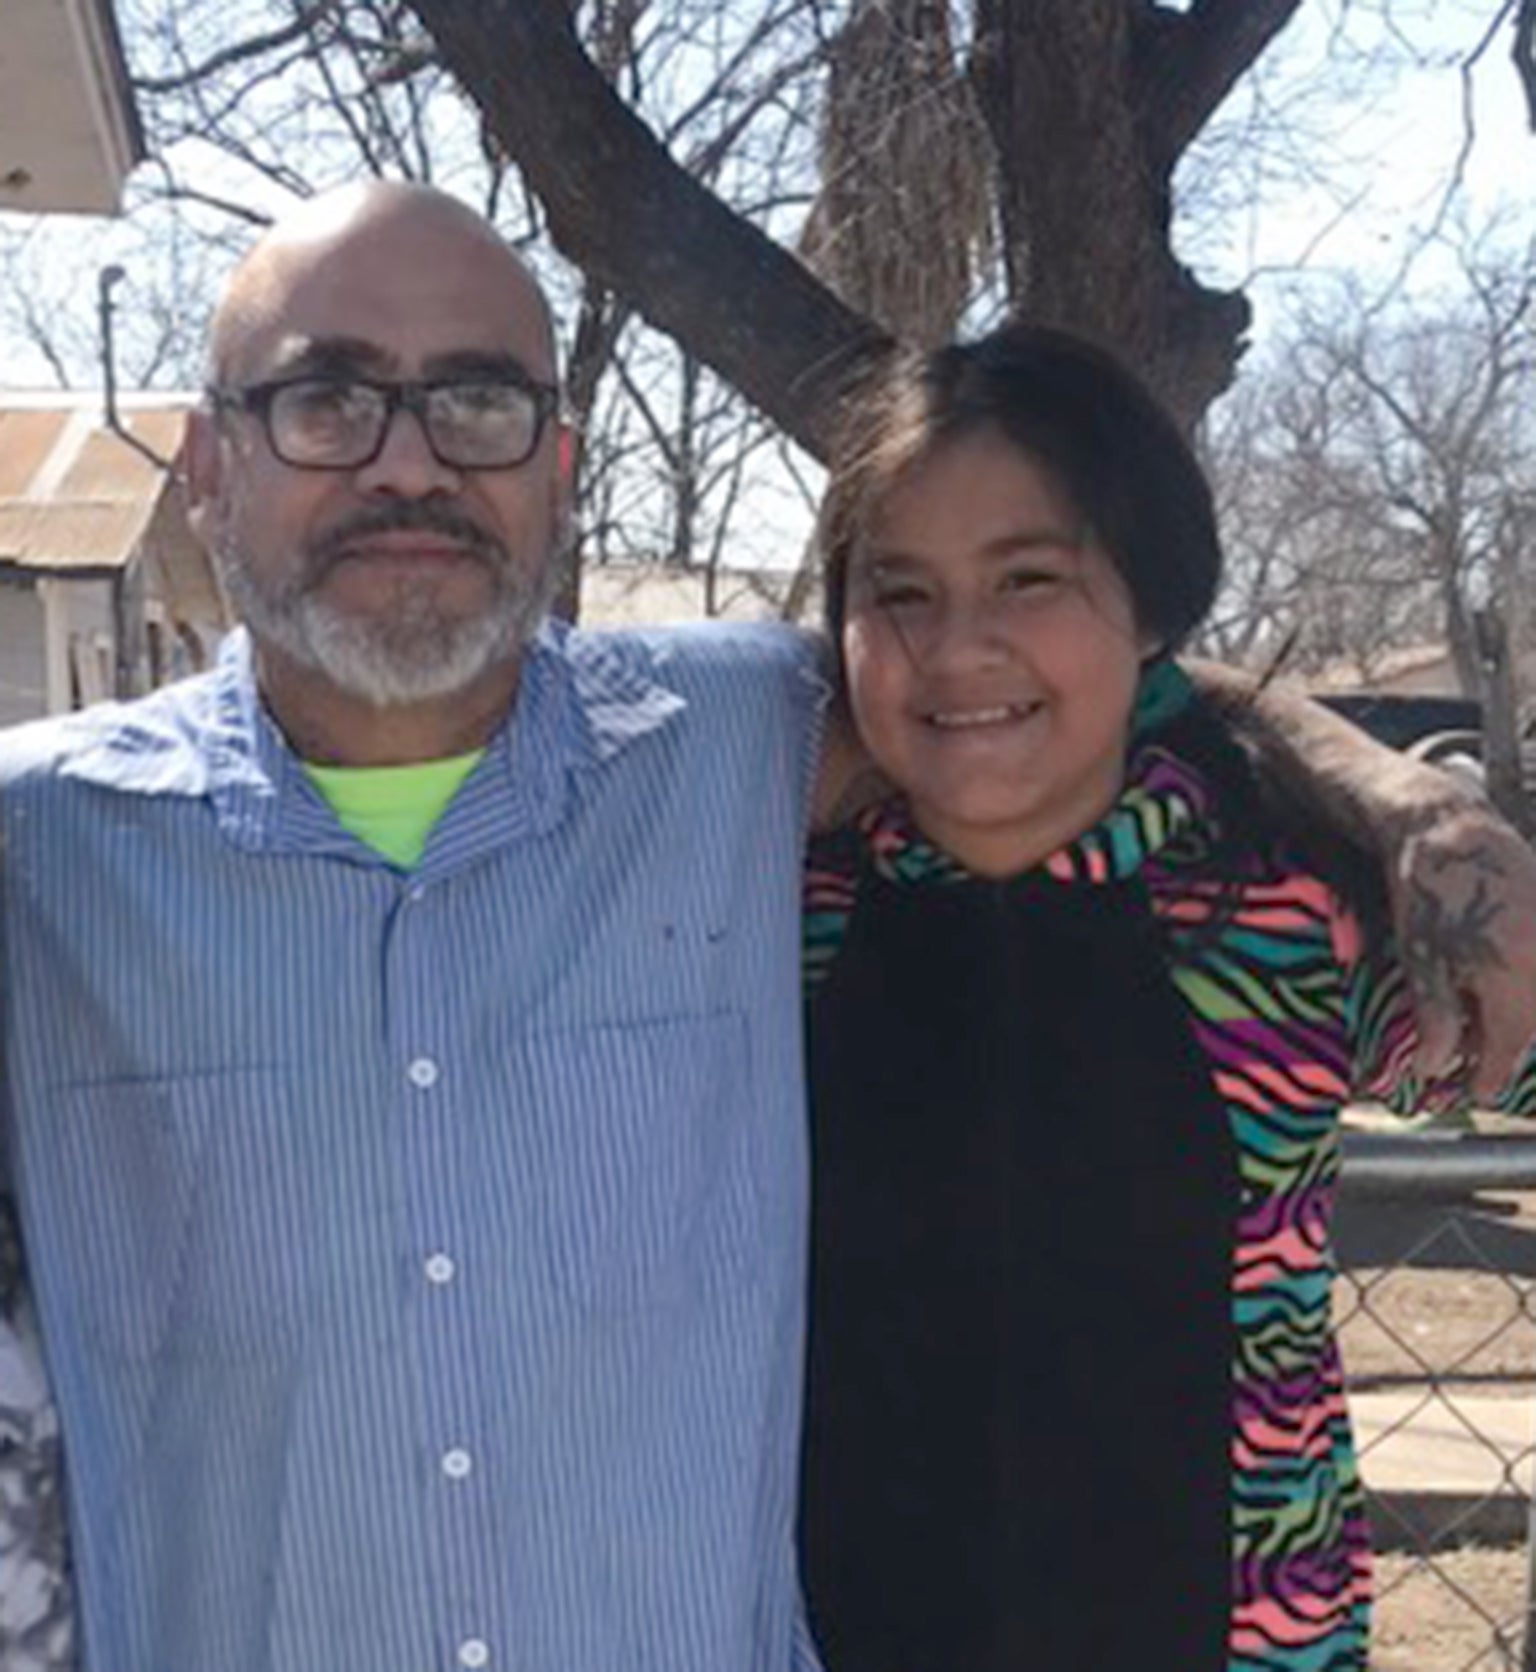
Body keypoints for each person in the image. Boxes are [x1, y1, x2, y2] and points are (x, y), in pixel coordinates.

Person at [0, 183, 1531, 1672]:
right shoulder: (38, 855)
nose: (410, 464)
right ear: (203, 464)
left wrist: (1417, 806)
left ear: (563, 463)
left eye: (477, 400)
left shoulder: (721, 762)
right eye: (325, 400)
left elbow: (1055, 699)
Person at [796, 323, 1536, 1672]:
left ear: (1150, 604)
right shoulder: (769, 920)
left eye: (1029, 578)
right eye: (898, 591)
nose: (959, 646)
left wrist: (1452, 835)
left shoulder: (1299, 908)